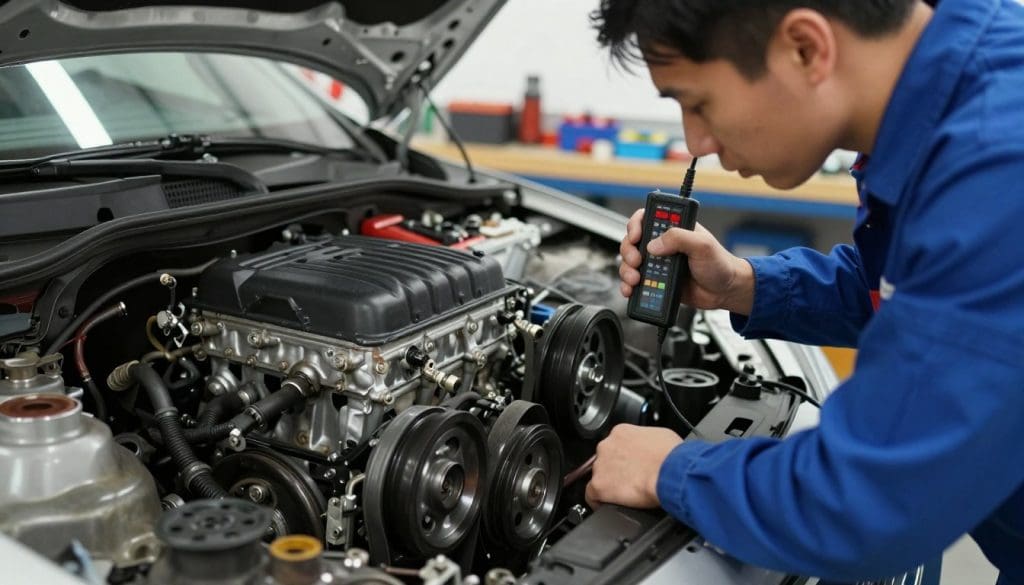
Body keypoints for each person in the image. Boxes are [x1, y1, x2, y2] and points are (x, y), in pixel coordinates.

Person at [584, 0, 1024, 583]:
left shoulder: (996, 165)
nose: (697, 141)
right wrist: (744, 286)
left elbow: (868, 506)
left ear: (805, 49)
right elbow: (913, 298)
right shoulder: (961, 93)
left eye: (698, 102)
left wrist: (667, 469)